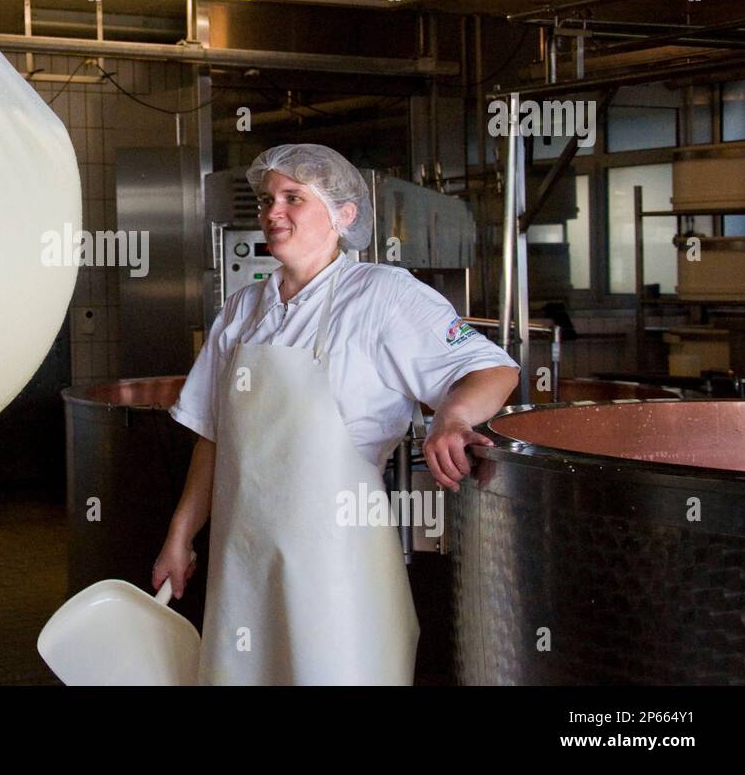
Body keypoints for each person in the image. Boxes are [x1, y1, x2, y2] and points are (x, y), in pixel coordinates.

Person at [153, 144, 519, 685]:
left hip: (337, 570)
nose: (273, 212)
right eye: (267, 199)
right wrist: (180, 534)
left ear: (344, 214)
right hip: (245, 564)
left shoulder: (382, 296)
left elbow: (492, 369)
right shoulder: (242, 310)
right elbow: (213, 433)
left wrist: (452, 416)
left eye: (293, 198)